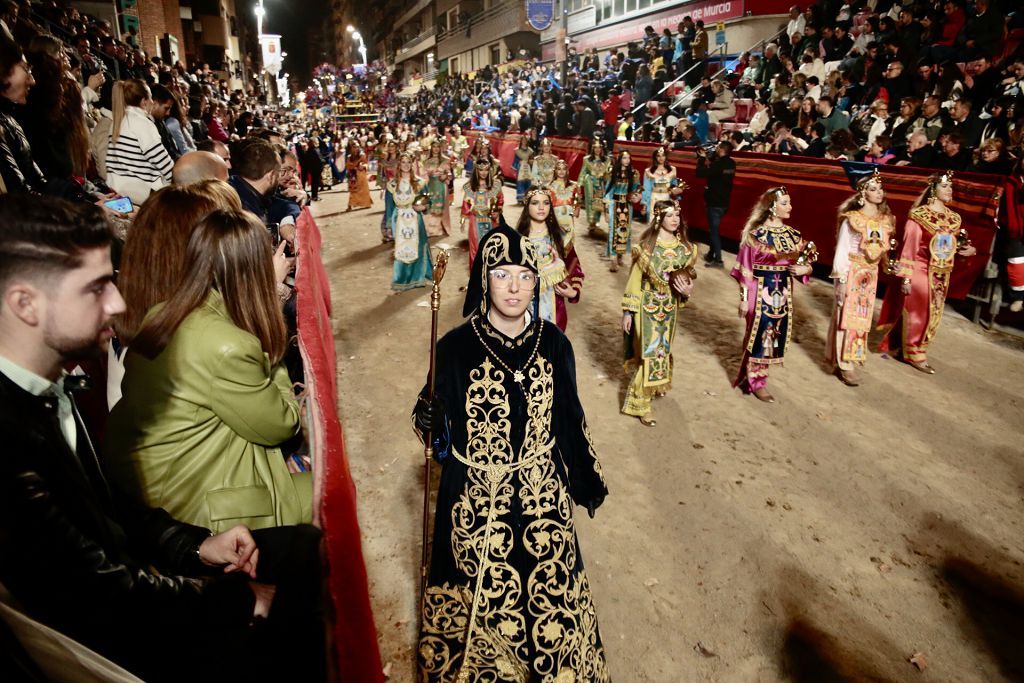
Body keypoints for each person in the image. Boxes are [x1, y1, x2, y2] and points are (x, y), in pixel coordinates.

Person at [0, 195, 325, 683]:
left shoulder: (45, 391)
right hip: (111, 648)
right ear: (24, 303)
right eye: (96, 288)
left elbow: (110, 511)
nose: (119, 302)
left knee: (303, 551)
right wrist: (239, 601)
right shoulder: (9, 440)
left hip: (138, 585)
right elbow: (95, 594)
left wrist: (194, 547)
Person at [411, 224, 608, 682]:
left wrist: (584, 479)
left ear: (537, 280)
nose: (515, 286)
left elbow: (569, 419)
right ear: (484, 279)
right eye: (502, 275)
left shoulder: (555, 343)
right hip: (477, 500)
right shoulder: (454, 348)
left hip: (543, 497)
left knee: (551, 596)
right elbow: (437, 443)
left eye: (525, 274)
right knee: (481, 600)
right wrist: (430, 418)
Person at [104, 209, 312, 532]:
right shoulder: (229, 347)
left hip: (152, 481)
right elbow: (282, 424)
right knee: (331, 488)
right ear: (251, 271)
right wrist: (269, 302)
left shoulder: (161, 312)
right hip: (198, 503)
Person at [875, 172, 976, 373]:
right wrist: (906, 277)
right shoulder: (919, 216)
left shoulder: (953, 218)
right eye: (945, 186)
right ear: (934, 189)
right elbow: (909, 248)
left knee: (933, 314)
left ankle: (901, 346)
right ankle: (915, 353)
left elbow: (950, 247)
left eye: (951, 187)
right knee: (919, 313)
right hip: (920, 270)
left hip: (942, 273)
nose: (949, 190)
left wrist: (967, 251)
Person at [731, 187, 813, 403]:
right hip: (759, 290)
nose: (790, 207)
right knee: (758, 333)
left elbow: (803, 262)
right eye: (785, 203)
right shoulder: (756, 236)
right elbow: (745, 269)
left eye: (789, 202)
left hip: (782, 292)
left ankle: (754, 376)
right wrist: (743, 298)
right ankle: (756, 380)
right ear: (772, 207)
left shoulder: (793, 236)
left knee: (772, 335)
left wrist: (806, 270)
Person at [620, 200, 697, 426]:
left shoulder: (685, 249)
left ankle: (652, 388)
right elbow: (634, 281)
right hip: (646, 308)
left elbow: (686, 280)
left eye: (677, 215)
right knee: (649, 354)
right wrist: (628, 311)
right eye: (670, 215)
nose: (675, 220)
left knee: (662, 352)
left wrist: (688, 291)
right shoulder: (646, 249)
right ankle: (640, 403)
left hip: (670, 309)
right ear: (659, 219)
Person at [827, 171, 896, 386]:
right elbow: (842, 249)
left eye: (880, 188)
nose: (879, 192)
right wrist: (842, 279)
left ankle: (851, 358)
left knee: (862, 318)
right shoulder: (853, 219)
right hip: (852, 271)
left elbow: (882, 250)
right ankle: (844, 364)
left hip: (870, 274)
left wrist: (891, 265)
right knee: (846, 316)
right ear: (862, 193)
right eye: (873, 189)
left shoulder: (885, 220)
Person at [514, 186, 584, 330]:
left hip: (554, 307)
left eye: (546, 203)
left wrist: (573, 292)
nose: (541, 208)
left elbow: (575, 266)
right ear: (527, 206)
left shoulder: (561, 236)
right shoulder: (517, 239)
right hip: (523, 307)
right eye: (535, 203)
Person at [105, 79, 173, 205]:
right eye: (151, 98)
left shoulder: (117, 122)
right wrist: (178, 181)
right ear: (143, 102)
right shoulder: (142, 123)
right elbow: (162, 162)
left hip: (117, 189)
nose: (152, 102)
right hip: (142, 194)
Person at [387, 152, 434, 292]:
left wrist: (423, 207)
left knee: (419, 246)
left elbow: (428, 201)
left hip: (415, 219)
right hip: (399, 219)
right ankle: (402, 279)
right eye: (403, 162)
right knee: (401, 249)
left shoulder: (420, 183)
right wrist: (389, 224)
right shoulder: (392, 184)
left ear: (412, 164)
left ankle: (418, 278)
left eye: (409, 162)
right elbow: (389, 206)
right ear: (399, 164)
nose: (406, 165)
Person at [696, 140, 736, 268]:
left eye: (718, 147)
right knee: (714, 229)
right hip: (724, 202)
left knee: (714, 231)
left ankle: (718, 260)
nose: (716, 149)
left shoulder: (718, 164)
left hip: (714, 202)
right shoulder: (731, 163)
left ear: (722, 149)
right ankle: (710, 254)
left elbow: (700, 173)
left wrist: (701, 159)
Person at [461, 158, 504, 267]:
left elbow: (500, 199)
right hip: (475, 219)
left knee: (492, 244)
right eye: (481, 170)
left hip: (491, 219)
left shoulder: (495, 185)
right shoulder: (470, 186)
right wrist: (462, 219)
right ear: (476, 171)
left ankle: (491, 270)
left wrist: (498, 211)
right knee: (475, 244)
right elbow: (466, 203)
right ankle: (476, 271)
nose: (483, 173)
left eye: (486, 170)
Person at [605, 149, 642, 272]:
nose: (627, 160)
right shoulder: (613, 172)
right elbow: (608, 191)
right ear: (619, 159)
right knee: (613, 232)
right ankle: (613, 259)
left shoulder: (634, 173)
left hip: (627, 206)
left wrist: (637, 196)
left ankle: (620, 254)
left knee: (624, 232)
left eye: (628, 158)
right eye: (624, 158)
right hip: (614, 204)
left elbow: (637, 189)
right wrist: (606, 209)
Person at [642, 145, 683, 224]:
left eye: (663, 155)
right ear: (655, 157)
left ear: (666, 157)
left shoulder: (672, 170)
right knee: (654, 223)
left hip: (667, 198)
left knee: (666, 222)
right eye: (658, 156)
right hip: (654, 199)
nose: (661, 158)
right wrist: (645, 205)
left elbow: (674, 185)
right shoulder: (648, 171)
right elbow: (646, 189)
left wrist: (677, 190)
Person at [578, 137, 611, 235]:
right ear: (592, 148)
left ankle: (596, 221)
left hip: (601, 183)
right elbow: (583, 172)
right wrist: (579, 185)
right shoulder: (587, 159)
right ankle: (591, 222)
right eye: (595, 147)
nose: (597, 149)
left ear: (602, 148)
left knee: (599, 202)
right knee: (590, 202)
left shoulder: (607, 160)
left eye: (599, 147)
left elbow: (609, 173)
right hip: (590, 183)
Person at [345, 144, 373, 211]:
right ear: (351, 148)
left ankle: (367, 203)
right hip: (353, 176)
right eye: (353, 147)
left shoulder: (362, 155)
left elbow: (366, 164)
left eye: (357, 147)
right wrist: (353, 167)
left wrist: (362, 166)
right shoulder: (349, 157)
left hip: (361, 175)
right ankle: (350, 205)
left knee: (364, 190)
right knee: (353, 191)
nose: (355, 149)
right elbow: (348, 165)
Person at [512, 135, 533, 203]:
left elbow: (532, 160)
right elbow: (515, 160)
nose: (524, 142)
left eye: (525, 140)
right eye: (523, 140)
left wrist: (530, 162)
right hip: (520, 168)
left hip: (528, 168)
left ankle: (528, 197)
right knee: (520, 182)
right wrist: (516, 165)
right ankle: (520, 198)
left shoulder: (530, 151)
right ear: (521, 141)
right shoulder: (517, 150)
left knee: (528, 181)